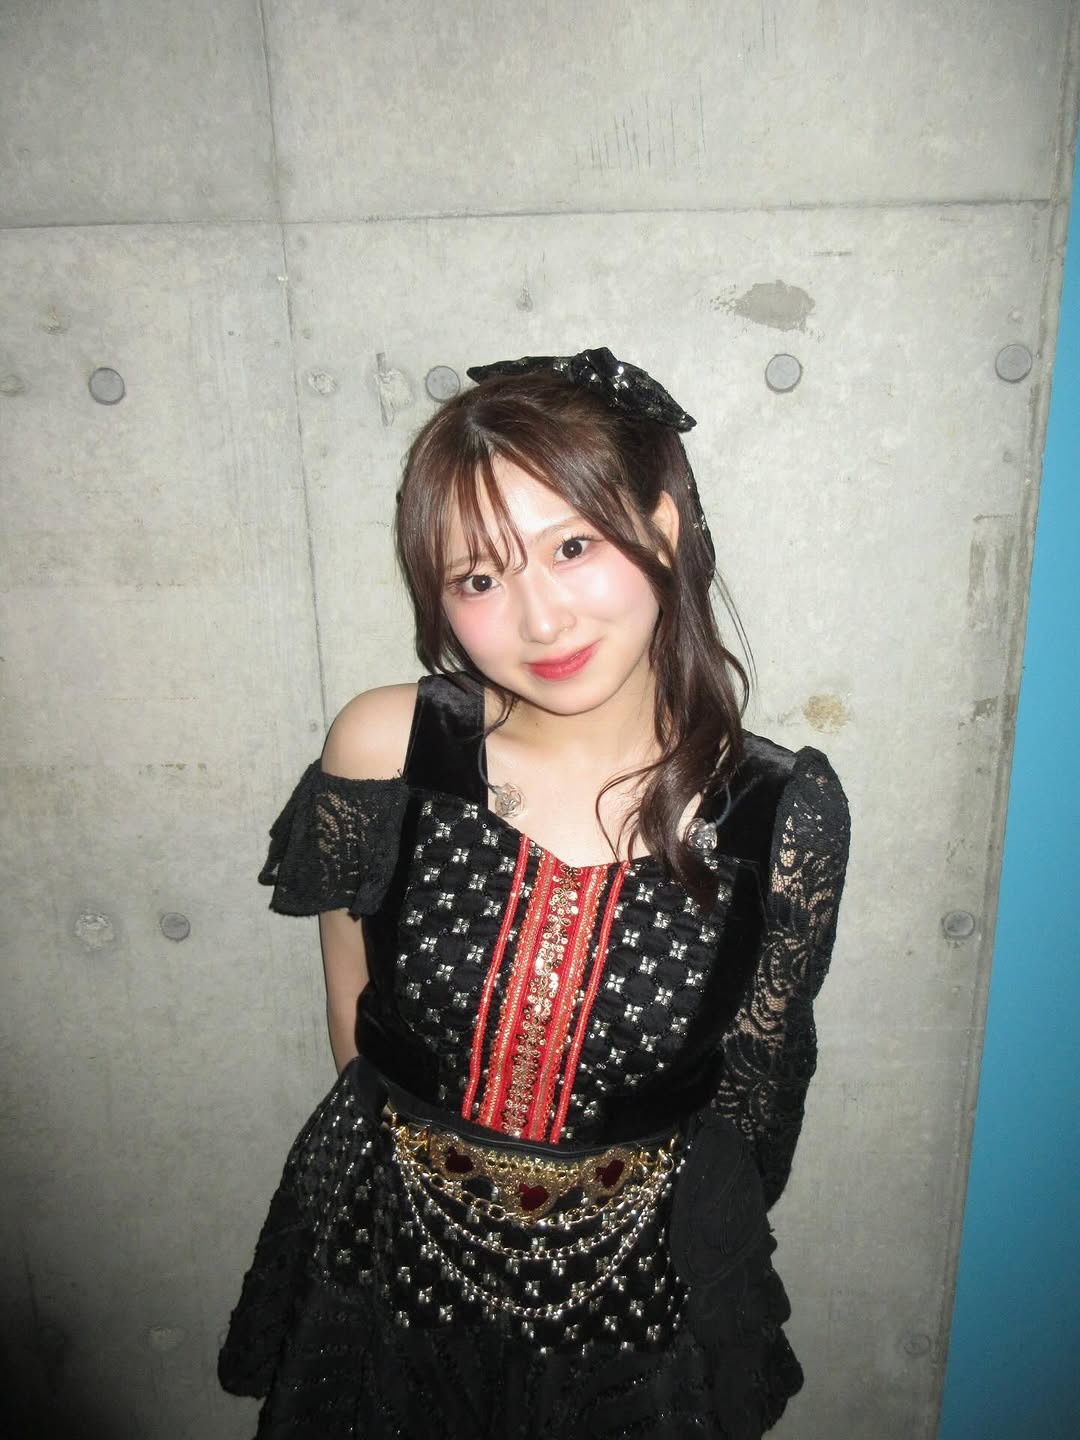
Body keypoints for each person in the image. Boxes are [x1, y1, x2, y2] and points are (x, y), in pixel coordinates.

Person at [218, 347, 851, 1439]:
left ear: (661, 527)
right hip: (389, 1264)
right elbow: (351, 1014)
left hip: (633, 1301)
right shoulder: (387, 746)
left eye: (573, 546)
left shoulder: (780, 814)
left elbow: (758, 1090)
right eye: (479, 578)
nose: (541, 621)